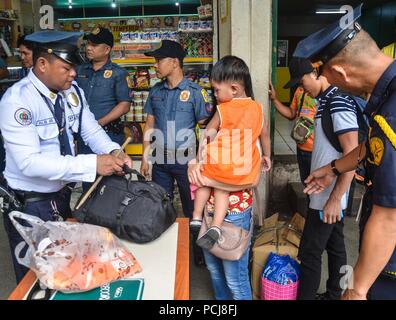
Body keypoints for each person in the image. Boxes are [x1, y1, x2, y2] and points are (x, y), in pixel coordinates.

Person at [0, 31, 132, 283]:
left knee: (63, 272)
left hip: (60, 198)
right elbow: (29, 162)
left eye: (74, 67)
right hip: (31, 205)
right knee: (36, 279)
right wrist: (93, 163)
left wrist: (112, 150)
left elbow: (90, 129)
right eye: (66, 67)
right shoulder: (18, 101)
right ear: (42, 64)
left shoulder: (72, 93)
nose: (73, 73)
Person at [296, 4, 396, 300]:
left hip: (388, 258)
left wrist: (357, 289)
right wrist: (334, 168)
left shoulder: (391, 112)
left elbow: (390, 215)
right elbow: (373, 146)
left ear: (340, 71)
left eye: (325, 74)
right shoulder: (387, 93)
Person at [285, 58, 359, 300]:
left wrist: (336, 199)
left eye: (302, 81)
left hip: (328, 196)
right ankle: (335, 293)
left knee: (309, 253)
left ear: (316, 72)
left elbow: (354, 156)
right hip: (324, 192)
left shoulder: (338, 101)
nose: (301, 88)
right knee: (336, 245)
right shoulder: (325, 100)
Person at [188, 55, 271, 250]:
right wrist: (266, 155)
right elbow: (265, 135)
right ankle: (216, 226)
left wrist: (202, 152)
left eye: (217, 90)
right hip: (242, 170)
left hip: (220, 161)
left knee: (203, 181)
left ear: (234, 89)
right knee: (222, 190)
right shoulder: (258, 109)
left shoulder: (223, 109)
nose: (215, 94)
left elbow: (209, 130)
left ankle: (197, 217)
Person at [140, 40, 211, 219]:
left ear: (174, 62)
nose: (154, 65)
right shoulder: (155, 91)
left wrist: (200, 160)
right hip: (160, 160)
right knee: (160, 208)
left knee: (193, 208)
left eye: (159, 60)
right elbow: (149, 125)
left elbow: (206, 128)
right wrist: (144, 158)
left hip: (187, 161)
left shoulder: (196, 92)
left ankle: (194, 245)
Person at [76, 27, 131, 191]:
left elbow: (125, 104)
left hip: (109, 135)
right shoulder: (79, 71)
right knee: (88, 179)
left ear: (107, 49)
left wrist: (99, 123)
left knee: (112, 184)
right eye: (88, 44)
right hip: (84, 138)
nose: (88, 48)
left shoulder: (118, 73)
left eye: (94, 45)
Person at [269, 58, 317, 184]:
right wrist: (274, 100)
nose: (302, 86)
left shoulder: (324, 95)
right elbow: (291, 114)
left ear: (314, 74)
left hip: (317, 151)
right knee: (306, 185)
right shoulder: (300, 91)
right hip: (301, 147)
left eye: (302, 81)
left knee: (316, 189)